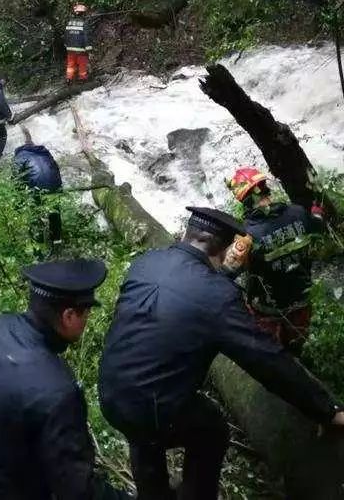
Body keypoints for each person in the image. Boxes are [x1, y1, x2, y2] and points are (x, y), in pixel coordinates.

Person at [98, 206, 344, 500]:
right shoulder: (217, 296)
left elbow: (186, 296)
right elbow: (266, 360)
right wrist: (326, 410)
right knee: (211, 429)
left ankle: (154, 493)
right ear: (225, 250)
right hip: (154, 407)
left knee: (143, 438)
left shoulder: (147, 262)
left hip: (111, 392)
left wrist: (222, 276)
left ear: (186, 235)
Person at [0, 259, 133, 500]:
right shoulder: (58, 392)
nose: (86, 322)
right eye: (85, 314)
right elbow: (77, 490)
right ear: (68, 316)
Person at [227, 166, 325, 352]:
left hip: (266, 310)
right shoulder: (298, 213)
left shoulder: (245, 237)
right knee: (297, 344)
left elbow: (227, 272)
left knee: (271, 351)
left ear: (244, 202)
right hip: (302, 300)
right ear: (266, 190)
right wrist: (317, 210)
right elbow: (318, 225)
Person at [13, 126, 63, 249]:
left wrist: (18, 203)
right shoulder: (45, 152)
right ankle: (57, 241)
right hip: (54, 184)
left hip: (38, 187)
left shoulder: (19, 157)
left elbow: (16, 181)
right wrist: (59, 188)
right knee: (54, 212)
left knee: (35, 212)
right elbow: (56, 168)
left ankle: (39, 242)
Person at [65, 2, 92, 84]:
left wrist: (66, 45)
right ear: (83, 13)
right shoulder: (84, 23)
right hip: (80, 49)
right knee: (82, 64)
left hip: (70, 48)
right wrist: (89, 49)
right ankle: (82, 79)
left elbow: (66, 35)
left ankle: (68, 78)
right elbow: (86, 37)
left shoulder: (69, 22)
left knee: (70, 65)